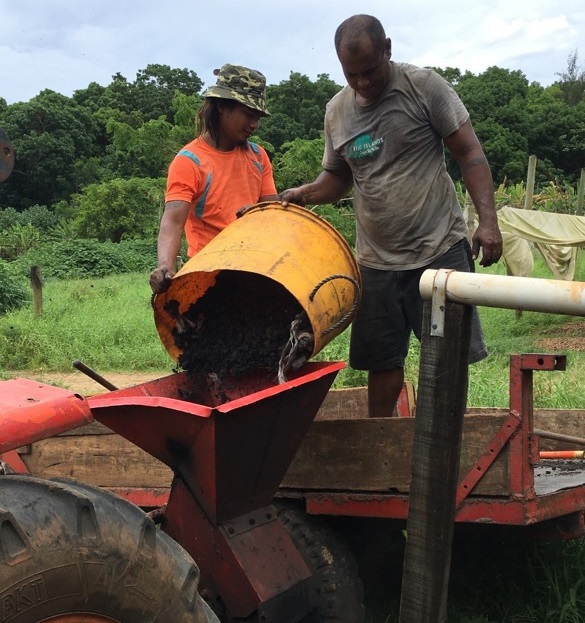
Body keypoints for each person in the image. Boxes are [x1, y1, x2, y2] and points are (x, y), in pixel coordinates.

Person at [280, 14, 503, 418]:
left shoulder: (424, 87)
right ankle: (382, 447)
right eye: (352, 75)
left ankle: (444, 447)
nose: (363, 83)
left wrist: (488, 222)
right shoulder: (337, 112)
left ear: (387, 49)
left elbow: (469, 153)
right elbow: (337, 178)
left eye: (370, 71)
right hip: (377, 262)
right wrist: (305, 193)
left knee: (447, 362)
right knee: (381, 364)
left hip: (439, 251)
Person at [150, 64, 278, 294]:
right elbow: (173, 221)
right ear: (221, 106)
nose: (254, 125)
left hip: (255, 271)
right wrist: (165, 267)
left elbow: (271, 216)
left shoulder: (258, 157)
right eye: (248, 115)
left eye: (258, 117)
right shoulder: (190, 161)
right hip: (208, 277)